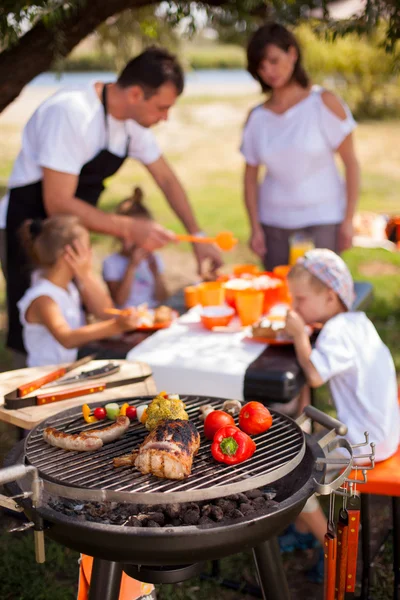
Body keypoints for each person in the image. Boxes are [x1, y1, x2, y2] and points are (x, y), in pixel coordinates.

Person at [1, 46, 222, 365]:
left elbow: (167, 180)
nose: (165, 117)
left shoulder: (133, 124)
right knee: (36, 328)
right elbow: (57, 201)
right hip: (32, 229)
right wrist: (130, 227)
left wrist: (198, 237)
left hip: (70, 230)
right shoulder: (72, 113)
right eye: (162, 107)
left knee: (75, 314)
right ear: (135, 94)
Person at [282, 248, 400, 581]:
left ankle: (327, 545)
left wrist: (298, 336)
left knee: (292, 474)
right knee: (302, 442)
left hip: (366, 444)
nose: (295, 308)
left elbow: (315, 375)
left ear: (330, 296)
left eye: (300, 299)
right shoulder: (355, 323)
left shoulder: (335, 333)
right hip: (385, 432)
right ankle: (304, 528)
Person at [240, 22, 360, 271]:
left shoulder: (323, 103)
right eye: (261, 66)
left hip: (324, 220)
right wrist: (255, 227)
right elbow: (250, 177)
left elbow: (351, 163)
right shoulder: (258, 118)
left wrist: (348, 220)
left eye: (273, 60)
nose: (269, 71)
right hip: (273, 224)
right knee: (277, 300)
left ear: (292, 54)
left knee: (321, 299)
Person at [17, 215, 139, 367]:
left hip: (69, 367)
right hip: (47, 377)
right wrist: (115, 327)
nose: (90, 253)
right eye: (87, 247)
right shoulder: (44, 297)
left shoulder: (69, 286)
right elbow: (67, 338)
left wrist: (86, 275)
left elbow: (105, 311)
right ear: (68, 254)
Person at [103, 187, 168, 309]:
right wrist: (131, 267)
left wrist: (156, 274)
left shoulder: (153, 259)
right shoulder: (111, 263)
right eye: (134, 236)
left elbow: (163, 297)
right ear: (120, 234)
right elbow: (120, 301)